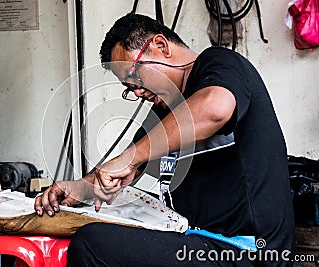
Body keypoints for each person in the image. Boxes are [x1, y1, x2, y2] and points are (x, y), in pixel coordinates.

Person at [34, 13, 295, 266]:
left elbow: (215, 108)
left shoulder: (221, 64)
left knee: (91, 245)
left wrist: (131, 157)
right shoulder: (165, 109)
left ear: (160, 46)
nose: (137, 93)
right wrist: (80, 188)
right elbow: (127, 166)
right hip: (200, 242)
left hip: (246, 251)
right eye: (129, 88)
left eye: (136, 78)